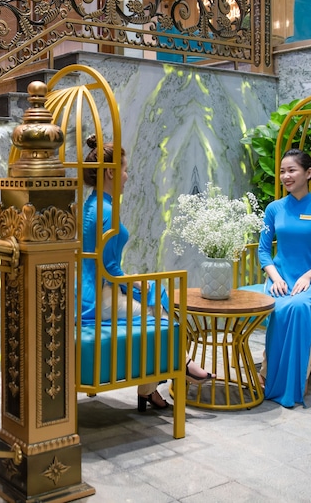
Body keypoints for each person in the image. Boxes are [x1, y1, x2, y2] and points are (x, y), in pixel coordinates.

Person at [80, 135, 212, 412]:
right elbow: (108, 266)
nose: (127, 177)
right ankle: (179, 366)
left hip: (90, 288)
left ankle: (151, 389)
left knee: (156, 292)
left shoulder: (91, 205)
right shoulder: (107, 211)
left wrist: (133, 283)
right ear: (110, 173)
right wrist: (133, 283)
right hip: (101, 296)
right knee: (161, 315)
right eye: (125, 169)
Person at [255, 148, 311, 408]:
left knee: (299, 307)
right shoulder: (274, 208)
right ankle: (269, 373)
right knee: (281, 307)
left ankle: (298, 377)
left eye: (292, 170)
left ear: (308, 173)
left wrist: (308, 276)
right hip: (280, 278)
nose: (285, 176)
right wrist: (275, 278)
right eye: (282, 171)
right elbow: (263, 250)